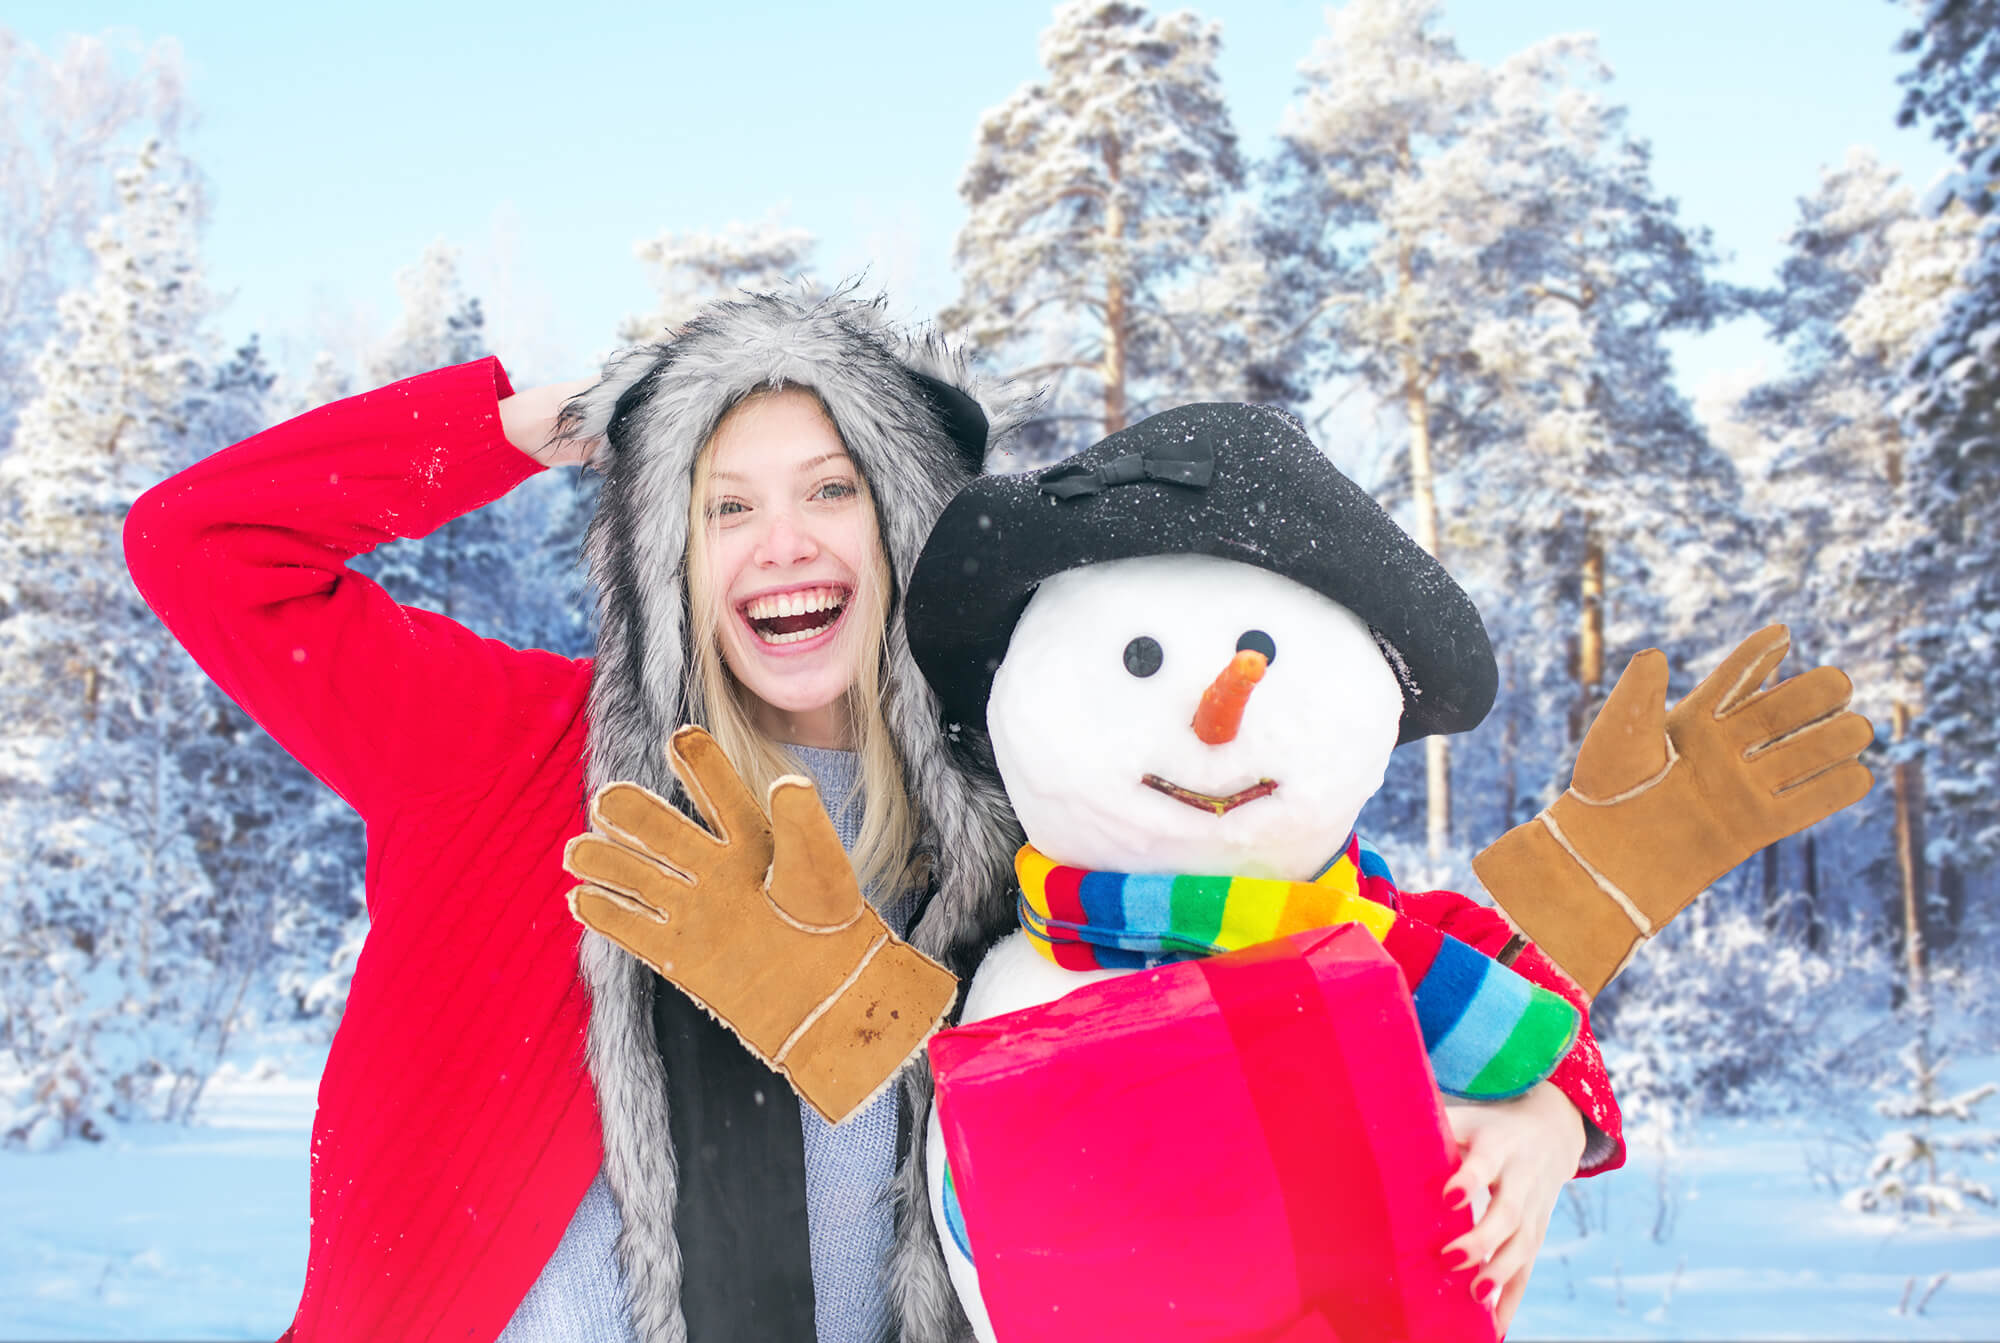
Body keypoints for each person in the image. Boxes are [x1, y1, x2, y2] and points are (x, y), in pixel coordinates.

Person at [125, 288, 1620, 1343]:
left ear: (903, 522)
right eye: (722, 503)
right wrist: (523, 426)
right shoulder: (507, 751)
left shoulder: (1025, 814)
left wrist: (1553, 1108)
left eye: (830, 490)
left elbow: (1348, 941)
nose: (782, 543)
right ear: (664, 549)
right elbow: (201, 547)